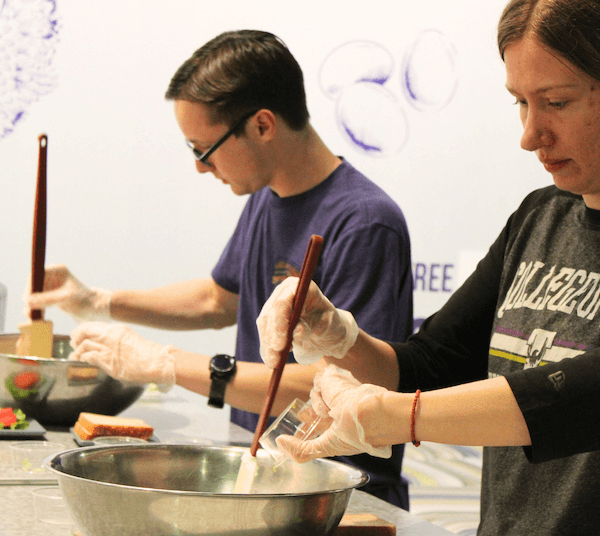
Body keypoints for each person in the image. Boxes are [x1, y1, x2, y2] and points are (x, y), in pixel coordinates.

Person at [255, 0, 600, 536]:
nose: (529, 134)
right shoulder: (540, 216)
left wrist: (396, 416)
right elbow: (428, 365)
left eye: (557, 102)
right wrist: (340, 338)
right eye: (521, 102)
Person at [27, 30, 414, 508]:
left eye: (202, 150)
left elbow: (337, 390)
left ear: (263, 126)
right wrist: (101, 301)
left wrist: (169, 364)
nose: (200, 167)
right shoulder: (266, 199)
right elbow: (217, 299)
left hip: (343, 500)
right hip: (272, 482)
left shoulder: (365, 223)